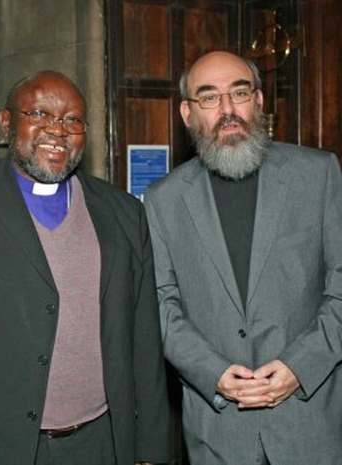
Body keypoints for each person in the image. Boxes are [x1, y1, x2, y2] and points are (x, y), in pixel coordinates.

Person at [0, 70, 172, 465]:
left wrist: (151, 448)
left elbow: (144, 340)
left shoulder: (124, 212)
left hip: (101, 442)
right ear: (7, 121)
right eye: (40, 113)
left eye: (72, 120)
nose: (57, 130)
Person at [144, 51, 342, 464]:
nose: (228, 110)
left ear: (260, 101)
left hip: (312, 423)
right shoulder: (162, 200)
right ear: (187, 113)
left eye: (239, 92)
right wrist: (213, 373)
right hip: (217, 432)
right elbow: (161, 304)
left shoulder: (319, 174)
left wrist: (300, 366)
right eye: (210, 98)